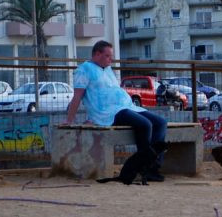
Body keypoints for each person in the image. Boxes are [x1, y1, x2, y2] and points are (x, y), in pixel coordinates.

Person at [64, 40, 167, 182]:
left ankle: (153, 167)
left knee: (160, 123)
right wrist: (69, 120)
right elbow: (77, 97)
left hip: (127, 106)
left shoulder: (107, 69)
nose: (110, 60)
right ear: (97, 54)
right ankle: (144, 167)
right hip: (107, 112)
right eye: (108, 56)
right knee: (145, 125)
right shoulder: (84, 70)